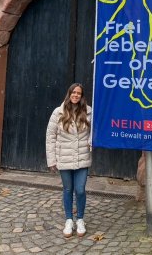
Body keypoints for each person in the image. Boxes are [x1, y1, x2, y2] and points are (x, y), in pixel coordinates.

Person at [45, 83, 93, 238]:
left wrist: (91, 143)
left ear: (82, 96)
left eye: (79, 93)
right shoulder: (58, 112)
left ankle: (80, 219)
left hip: (82, 157)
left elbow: (95, 132)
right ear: (69, 94)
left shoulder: (89, 112)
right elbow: (50, 137)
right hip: (64, 157)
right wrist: (52, 160)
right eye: (73, 92)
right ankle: (68, 220)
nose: (76, 95)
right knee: (67, 189)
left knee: (80, 190)